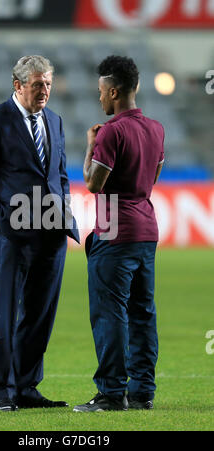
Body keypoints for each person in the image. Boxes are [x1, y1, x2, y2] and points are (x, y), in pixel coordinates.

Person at [0, 55, 79, 411]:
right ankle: (0, 392)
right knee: (5, 313)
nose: (44, 91)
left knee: (40, 315)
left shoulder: (54, 121)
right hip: (11, 236)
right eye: (36, 85)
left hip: (51, 234)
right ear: (18, 85)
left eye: (47, 84)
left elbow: (58, 174)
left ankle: (27, 388)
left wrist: (64, 209)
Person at [73, 56, 164, 413]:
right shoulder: (156, 129)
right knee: (143, 312)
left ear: (113, 91)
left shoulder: (111, 132)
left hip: (114, 231)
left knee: (109, 313)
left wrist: (90, 145)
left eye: (100, 93)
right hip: (147, 229)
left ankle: (111, 393)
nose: (99, 99)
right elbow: (153, 176)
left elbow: (94, 183)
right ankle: (142, 392)